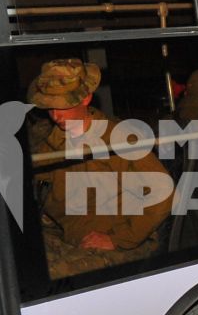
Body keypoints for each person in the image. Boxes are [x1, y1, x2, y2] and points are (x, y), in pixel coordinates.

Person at [27, 58, 172, 279]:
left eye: (63, 106)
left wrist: (117, 239)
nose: (56, 116)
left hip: (119, 244)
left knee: (50, 277)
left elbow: (164, 192)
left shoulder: (118, 139)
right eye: (50, 108)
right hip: (67, 235)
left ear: (86, 98)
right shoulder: (50, 142)